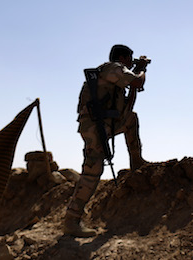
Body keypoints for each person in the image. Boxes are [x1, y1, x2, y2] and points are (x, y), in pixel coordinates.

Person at [63, 44, 150, 237]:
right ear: (122, 57)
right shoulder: (113, 68)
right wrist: (142, 68)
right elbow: (136, 82)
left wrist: (135, 72)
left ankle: (137, 161)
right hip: (95, 126)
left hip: (106, 123)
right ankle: (72, 219)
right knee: (93, 171)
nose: (131, 63)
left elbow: (128, 99)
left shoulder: (116, 73)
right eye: (130, 59)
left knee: (131, 119)